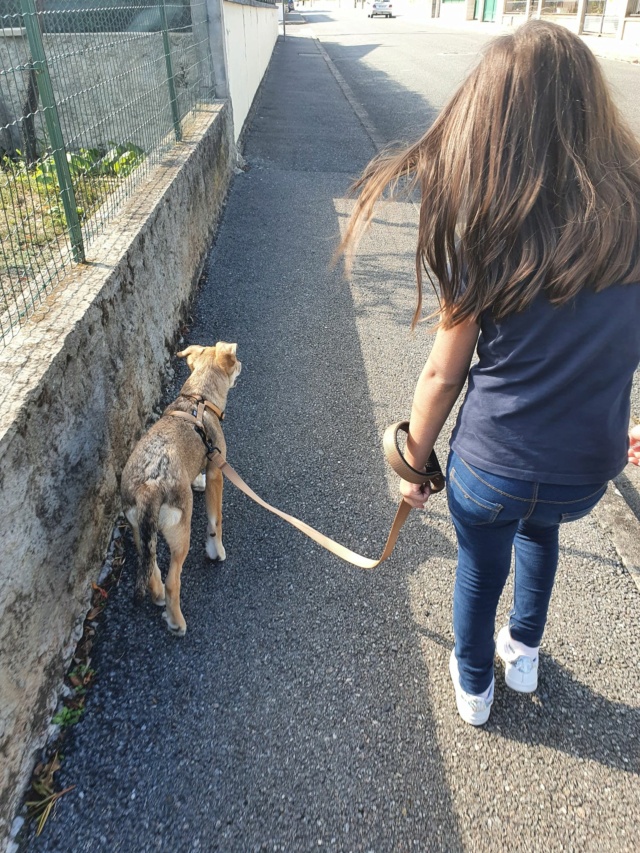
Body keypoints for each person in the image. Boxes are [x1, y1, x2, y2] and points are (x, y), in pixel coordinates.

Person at [340, 21, 640, 726]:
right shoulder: (629, 226)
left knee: (481, 566)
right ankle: (525, 651)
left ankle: (475, 685)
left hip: (490, 467)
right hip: (583, 473)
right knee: (543, 535)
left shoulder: (488, 230)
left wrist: (414, 461)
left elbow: (444, 377)